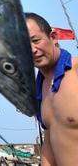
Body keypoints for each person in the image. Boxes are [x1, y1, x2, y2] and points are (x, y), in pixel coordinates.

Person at [25, 12, 78, 165]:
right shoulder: (40, 88)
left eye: (35, 40)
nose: (32, 50)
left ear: (53, 37)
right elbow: (50, 140)